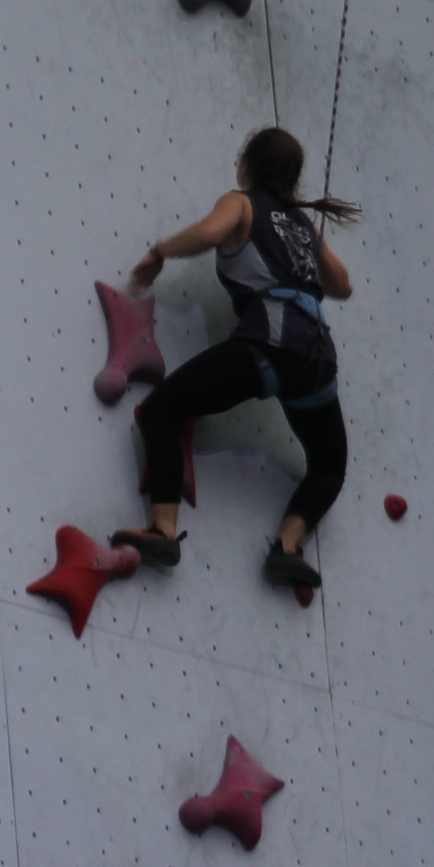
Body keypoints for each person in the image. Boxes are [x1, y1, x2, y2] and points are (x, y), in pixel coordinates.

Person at [113, 126, 357, 594]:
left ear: (247, 164)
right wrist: (312, 243)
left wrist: (160, 251)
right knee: (330, 465)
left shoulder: (243, 203)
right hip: (316, 360)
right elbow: (342, 286)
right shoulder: (303, 226)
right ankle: (286, 549)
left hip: (269, 345)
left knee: (162, 410)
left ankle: (163, 530)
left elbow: (209, 232)